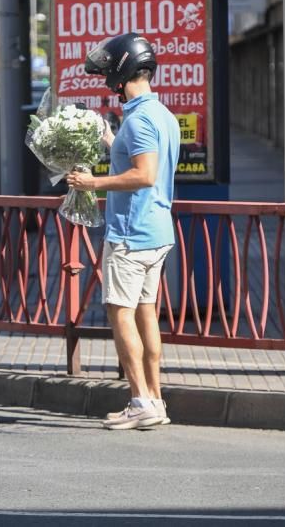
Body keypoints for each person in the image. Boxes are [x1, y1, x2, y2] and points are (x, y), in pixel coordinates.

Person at [66, 33, 180, 430]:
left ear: (121, 71)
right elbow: (139, 158)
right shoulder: (160, 114)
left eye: (107, 75)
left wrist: (91, 183)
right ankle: (156, 400)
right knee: (146, 313)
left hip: (131, 234)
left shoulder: (142, 118)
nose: (105, 83)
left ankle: (139, 400)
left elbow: (144, 175)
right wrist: (108, 137)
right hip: (157, 230)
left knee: (120, 314)